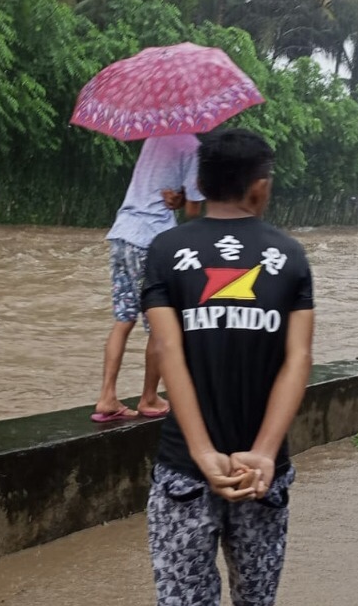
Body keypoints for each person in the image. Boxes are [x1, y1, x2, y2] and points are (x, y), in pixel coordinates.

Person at [141, 128, 315, 605]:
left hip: (184, 469)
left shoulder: (164, 251)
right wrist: (263, 451)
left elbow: (165, 349)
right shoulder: (292, 256)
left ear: (201, 182)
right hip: (264, 475)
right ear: (260, 187)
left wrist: (200, 451)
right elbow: (298, 358)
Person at [92, 134, 204, 422]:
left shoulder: (154, 137)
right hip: (150, 240)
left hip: (122, 234)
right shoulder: (192, 147)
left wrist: (176, 198)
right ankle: (150, 398)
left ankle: (106, 397)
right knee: (160, 322)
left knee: (124, 319)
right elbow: (193, 210)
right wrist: (185, 202)